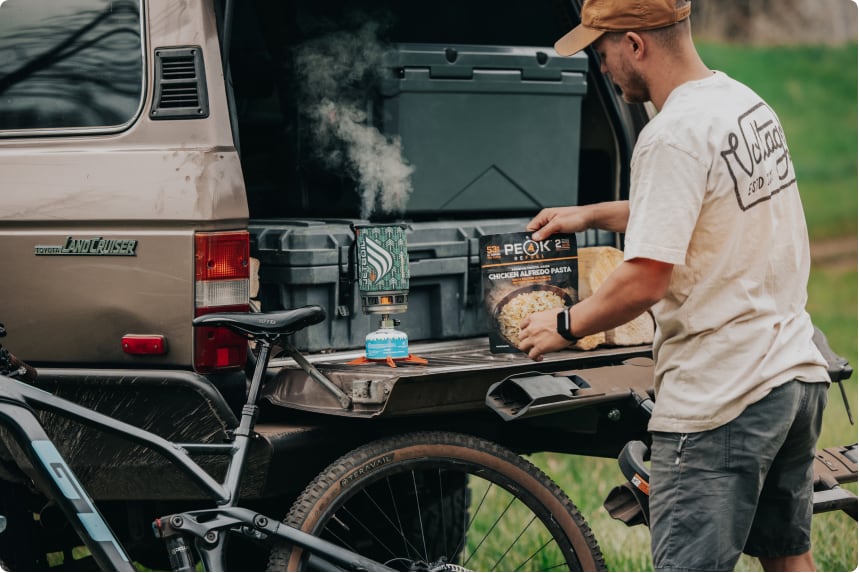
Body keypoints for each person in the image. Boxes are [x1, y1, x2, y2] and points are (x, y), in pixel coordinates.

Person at [517, 0, 831, 570]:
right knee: (790, 561)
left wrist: (567, 325)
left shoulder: (669, 136)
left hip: (723, 398)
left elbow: (645, 280)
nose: (601, 67)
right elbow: (699, 207)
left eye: (603, 49)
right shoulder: (743, 104)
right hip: (793, 376)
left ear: (635, 44)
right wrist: (589, 215)